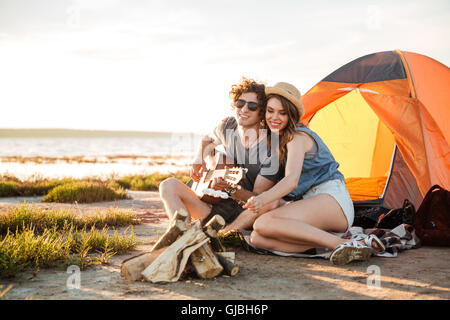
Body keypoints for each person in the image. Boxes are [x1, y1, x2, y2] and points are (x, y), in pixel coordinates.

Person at [240, 82, 385, 265]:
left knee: (262, 224)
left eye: (282, 113)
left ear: (291, 115)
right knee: (257, 239)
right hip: (313, 202)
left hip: (332, 199)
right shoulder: (279, 141)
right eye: (270, 111)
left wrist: (262, 199)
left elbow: (292, 180)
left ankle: (344, 243)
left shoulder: (297, 137)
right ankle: (331, 246)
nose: (274, 117)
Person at [159, 77, 279, 226]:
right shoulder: (228, 126)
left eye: (252, 106)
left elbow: (259, 199)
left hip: (238, 214)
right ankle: (181, 231)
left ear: (262, 112)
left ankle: (200, 233)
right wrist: (199, 158)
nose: (244, 109)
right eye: (240, 103)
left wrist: (231, 188)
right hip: (209, 205)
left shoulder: (270, 150)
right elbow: (207, 139)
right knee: (168, 184)